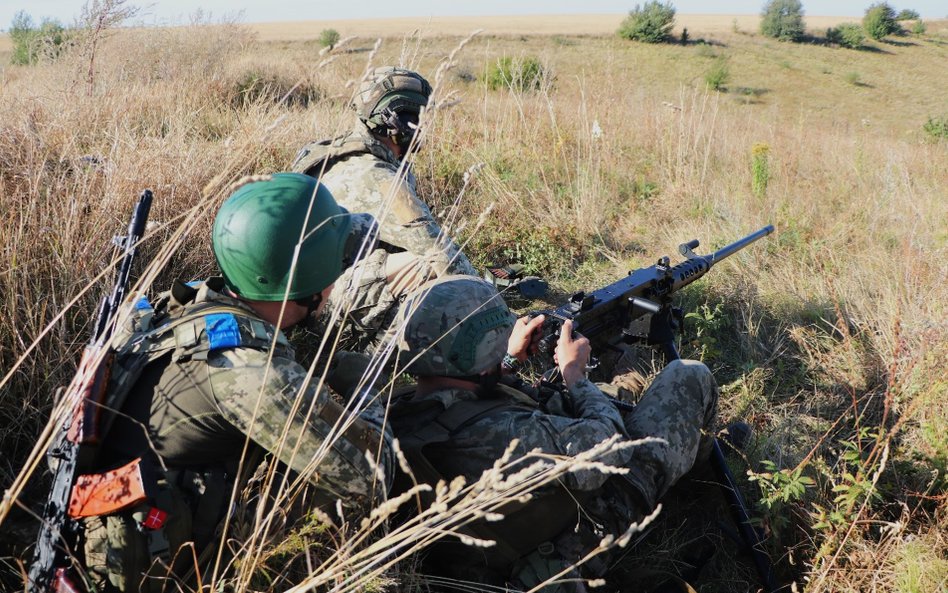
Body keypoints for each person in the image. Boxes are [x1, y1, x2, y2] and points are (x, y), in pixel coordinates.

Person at [75, 173, 393, 592]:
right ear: (308, 286)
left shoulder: (179, 306)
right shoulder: (249, 372)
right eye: (336, 266)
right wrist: (365, 385)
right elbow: (371, 476)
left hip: (108, 509)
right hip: (151, 557)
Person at [389, 276, 719, 592]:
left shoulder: (403, 408)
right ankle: (699, 468)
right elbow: (610, 449)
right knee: (688, 376)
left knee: (606, 396)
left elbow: (466, 402)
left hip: (488, 547)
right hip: (565, 544)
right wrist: (575, 376)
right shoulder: (506, 435)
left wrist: (506, 362)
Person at [292, 67, 478, 354]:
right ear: (402, 122)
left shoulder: (333, 153)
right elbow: (438, 251)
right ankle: (378, 356)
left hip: (303, 297)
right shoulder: (377, 176)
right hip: (322, 309)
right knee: (424, 266)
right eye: (420, 119)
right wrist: (495, 309)